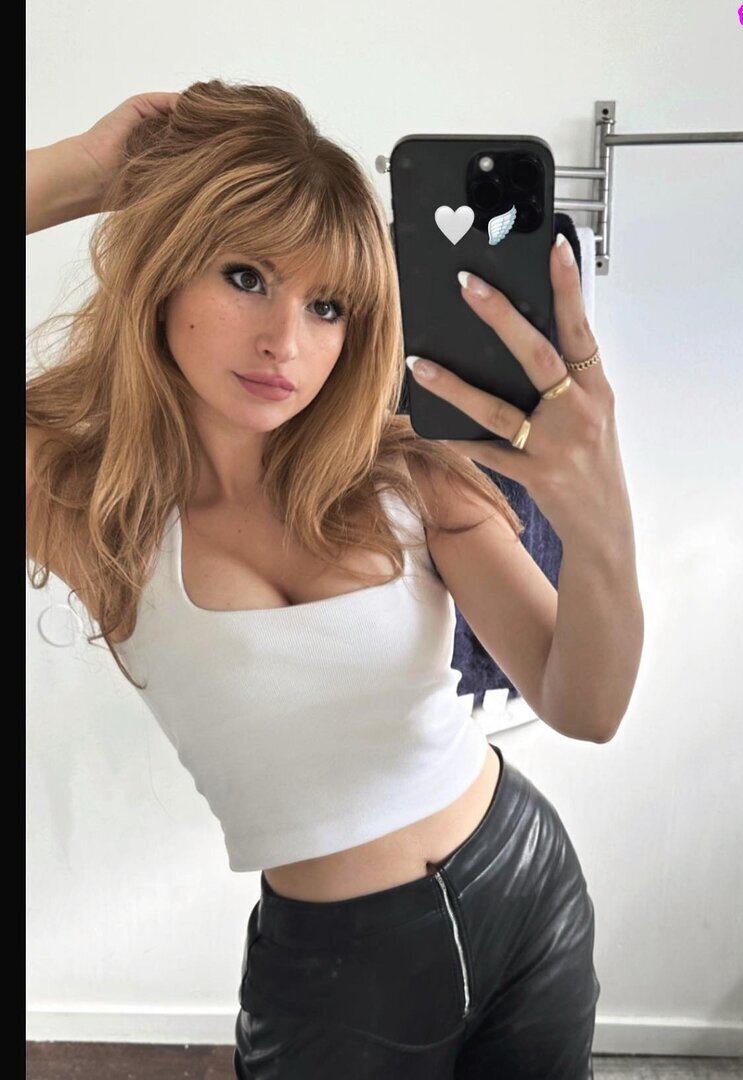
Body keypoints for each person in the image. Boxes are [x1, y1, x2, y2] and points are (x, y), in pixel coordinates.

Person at [26, 81, 644, 1079]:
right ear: (165, 269)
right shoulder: (91, 506)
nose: (286, 341)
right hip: (336, 969)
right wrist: (79, 175)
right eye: (245, 276)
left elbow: (588, 707)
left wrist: (602, 516)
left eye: (327, 306)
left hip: (524, 881)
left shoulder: (404, 472)